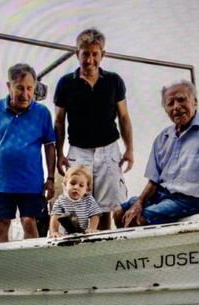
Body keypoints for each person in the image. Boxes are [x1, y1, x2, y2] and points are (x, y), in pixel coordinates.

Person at [114, 80, 199, 228]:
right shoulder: (163, 137)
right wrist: (138, 203)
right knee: (119, 212)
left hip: (194, 200)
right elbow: (154, 181)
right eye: (170, 103)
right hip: (163, 195)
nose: (176, 106)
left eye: (181, 99)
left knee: (138, 219)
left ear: (194, 102)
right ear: (166, 110)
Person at [53, 28, 134, 230]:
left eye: (94, 54)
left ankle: (104, 245)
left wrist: (129, 149)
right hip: (79, 151)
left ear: (102, 55)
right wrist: (59, 154)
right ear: (77, 54)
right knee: (75, 203)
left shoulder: (114, 81)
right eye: (85, 54)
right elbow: (59, 121)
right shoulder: (65, 83)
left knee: (106, 206)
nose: (90, 59)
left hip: (108, 149)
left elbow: (124, 117)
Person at [0, 63, 56, 243]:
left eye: (30, 88)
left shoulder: (42, 113)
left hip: (31, 182)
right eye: (20, 88)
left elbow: (50, 146)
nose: (25, 94)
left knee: (29, 222)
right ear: (9, 86)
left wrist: (50, 179)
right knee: (2, 224)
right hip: (1, 183)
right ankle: (2, 267)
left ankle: (31, 266)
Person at [49, 165, 102, 237]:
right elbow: (55, 216)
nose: (76, 187)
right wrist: (54, 231)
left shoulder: (88, 199)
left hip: (84, 234)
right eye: (72, 183)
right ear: (65, 184)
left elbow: (95, 215)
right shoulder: (61, 200)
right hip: (67, 235)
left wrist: (92, 228)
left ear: (86, 189)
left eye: (81, 185)